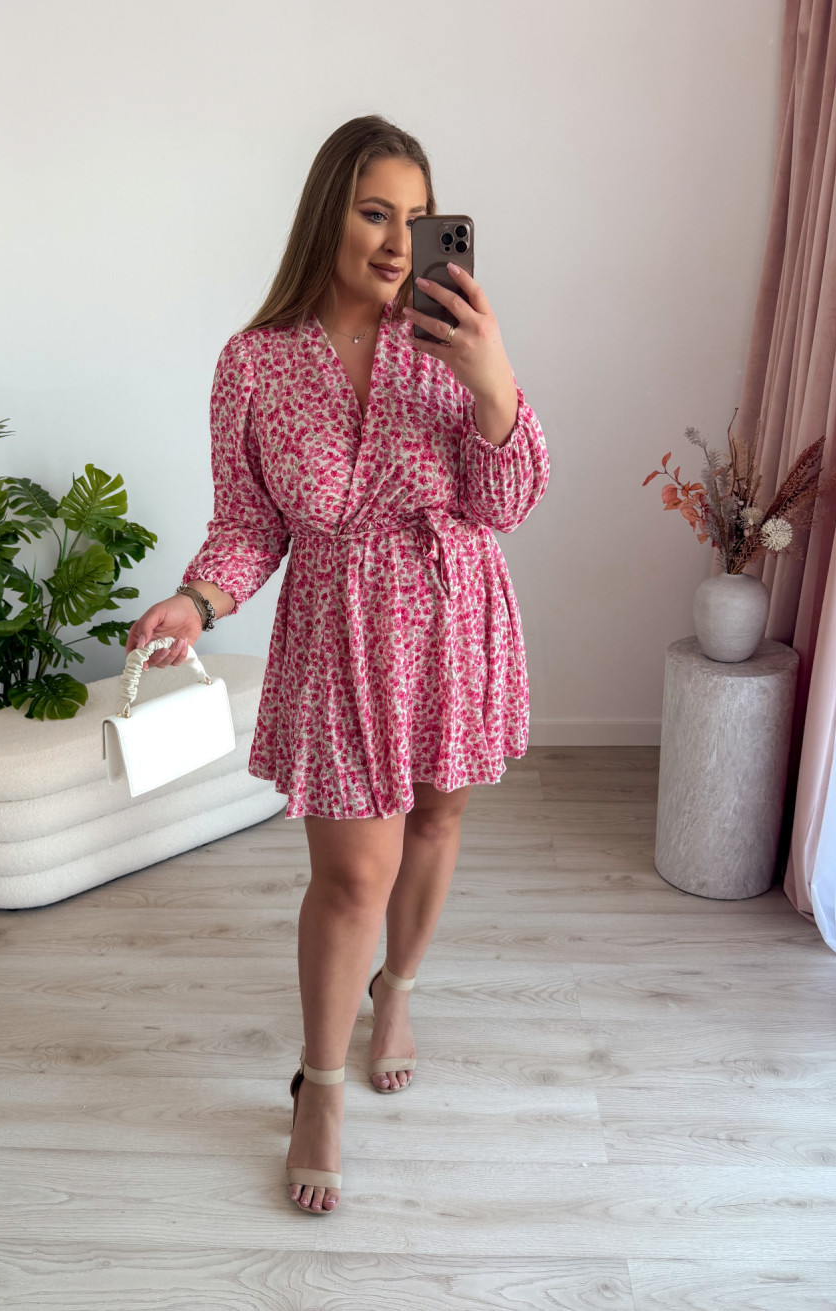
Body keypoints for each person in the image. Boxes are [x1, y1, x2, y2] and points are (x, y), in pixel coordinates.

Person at [125, 115, 550, 1215]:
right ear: (327, 215)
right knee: (353, 875)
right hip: (339, 636)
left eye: (419, 218)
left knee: (438, 823)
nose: (400, 242)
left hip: (453, 619)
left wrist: (492, 378)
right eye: (374, 213)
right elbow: (248, 524)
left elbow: (506, 503)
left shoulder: (454, 339)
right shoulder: (254, 364)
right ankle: (318, 1084)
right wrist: (196, 600)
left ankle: (395, 989)